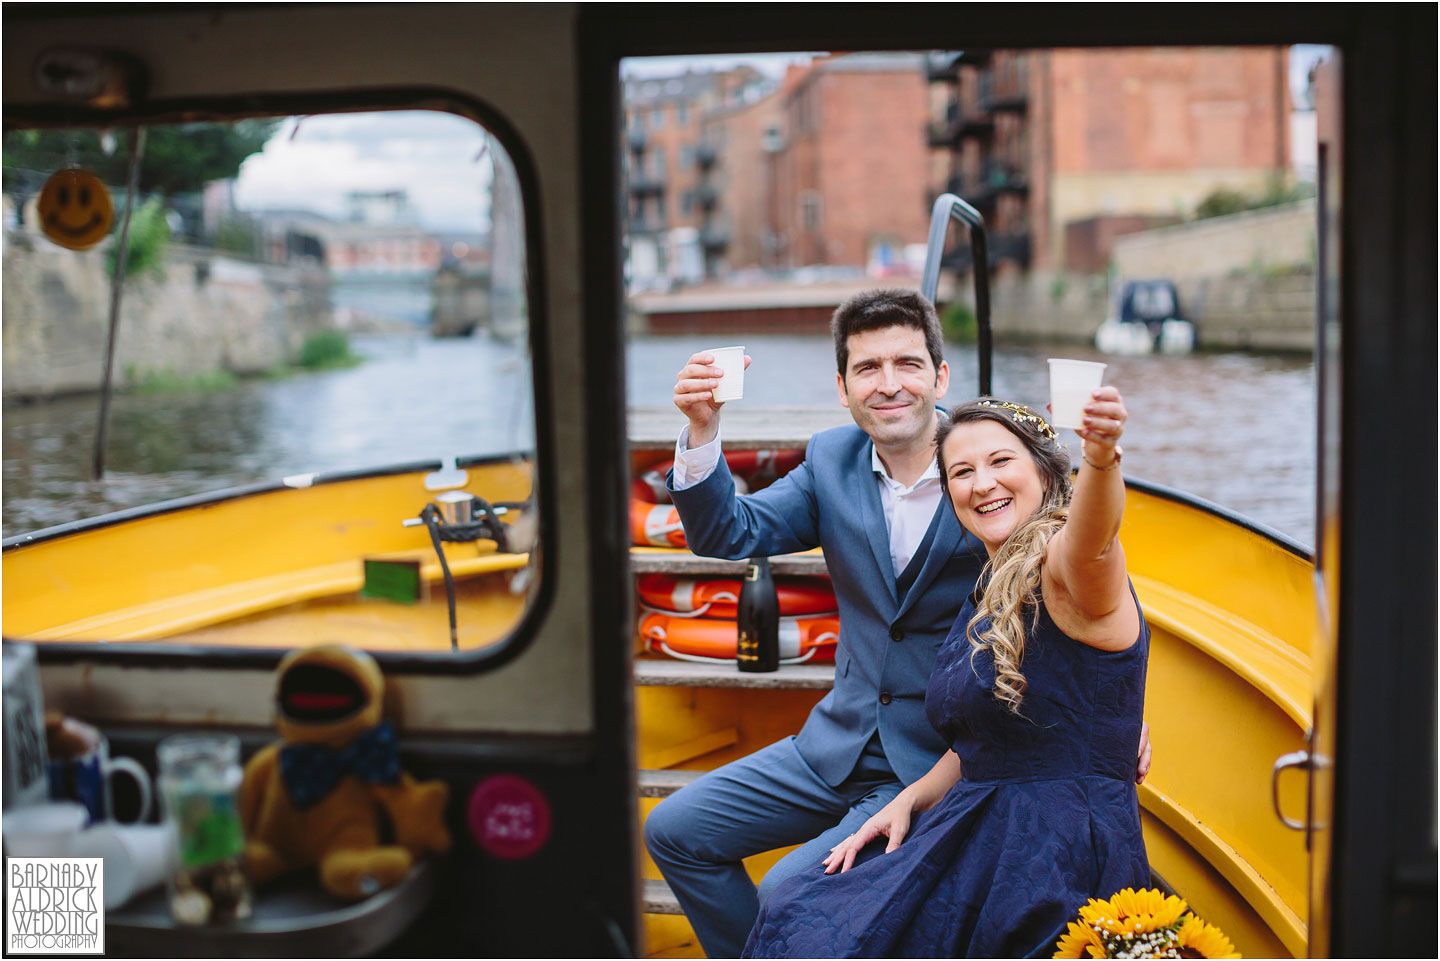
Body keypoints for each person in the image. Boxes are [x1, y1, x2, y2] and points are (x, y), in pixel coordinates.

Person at [644, 288, 1150, 958]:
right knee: (674, 830)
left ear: (940, 376)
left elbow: (1089, 574)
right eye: (867, 368)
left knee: (789, 890)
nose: (889, 384)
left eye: (908, 363)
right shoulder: (830, 460)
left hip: (943, 751)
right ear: (843, 388)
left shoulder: (992, 481)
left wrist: (1121, 711)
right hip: (834, 739)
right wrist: (703, 431)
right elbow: (729, 532)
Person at [744, 391, 1149, 958]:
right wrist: (909, 799)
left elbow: (1095, 541)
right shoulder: (989, 587)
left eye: (1001, 461)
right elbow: (991, 740)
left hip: (1056, 856)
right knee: (797, 907)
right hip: (977, 827)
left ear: (1046, 471)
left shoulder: (1066, 568)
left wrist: (1103, 458)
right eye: (962, 471)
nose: (982, 484)